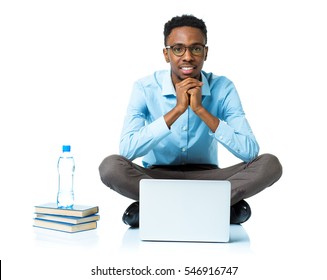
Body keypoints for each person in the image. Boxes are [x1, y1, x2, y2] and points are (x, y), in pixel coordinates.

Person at [99, 14, 282, 228]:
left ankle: (155, 207)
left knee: (270, 164)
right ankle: (217, 207)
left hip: (209, 178)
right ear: (166, 54)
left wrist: (200, 110)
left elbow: (251, 152)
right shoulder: (144, 87)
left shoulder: (223, 87)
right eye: (178, 49)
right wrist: (177, 110)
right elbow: (127, 151)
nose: (187, 57)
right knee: (110, 166)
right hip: (156, 178)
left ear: (205, 52)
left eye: (195, 48)